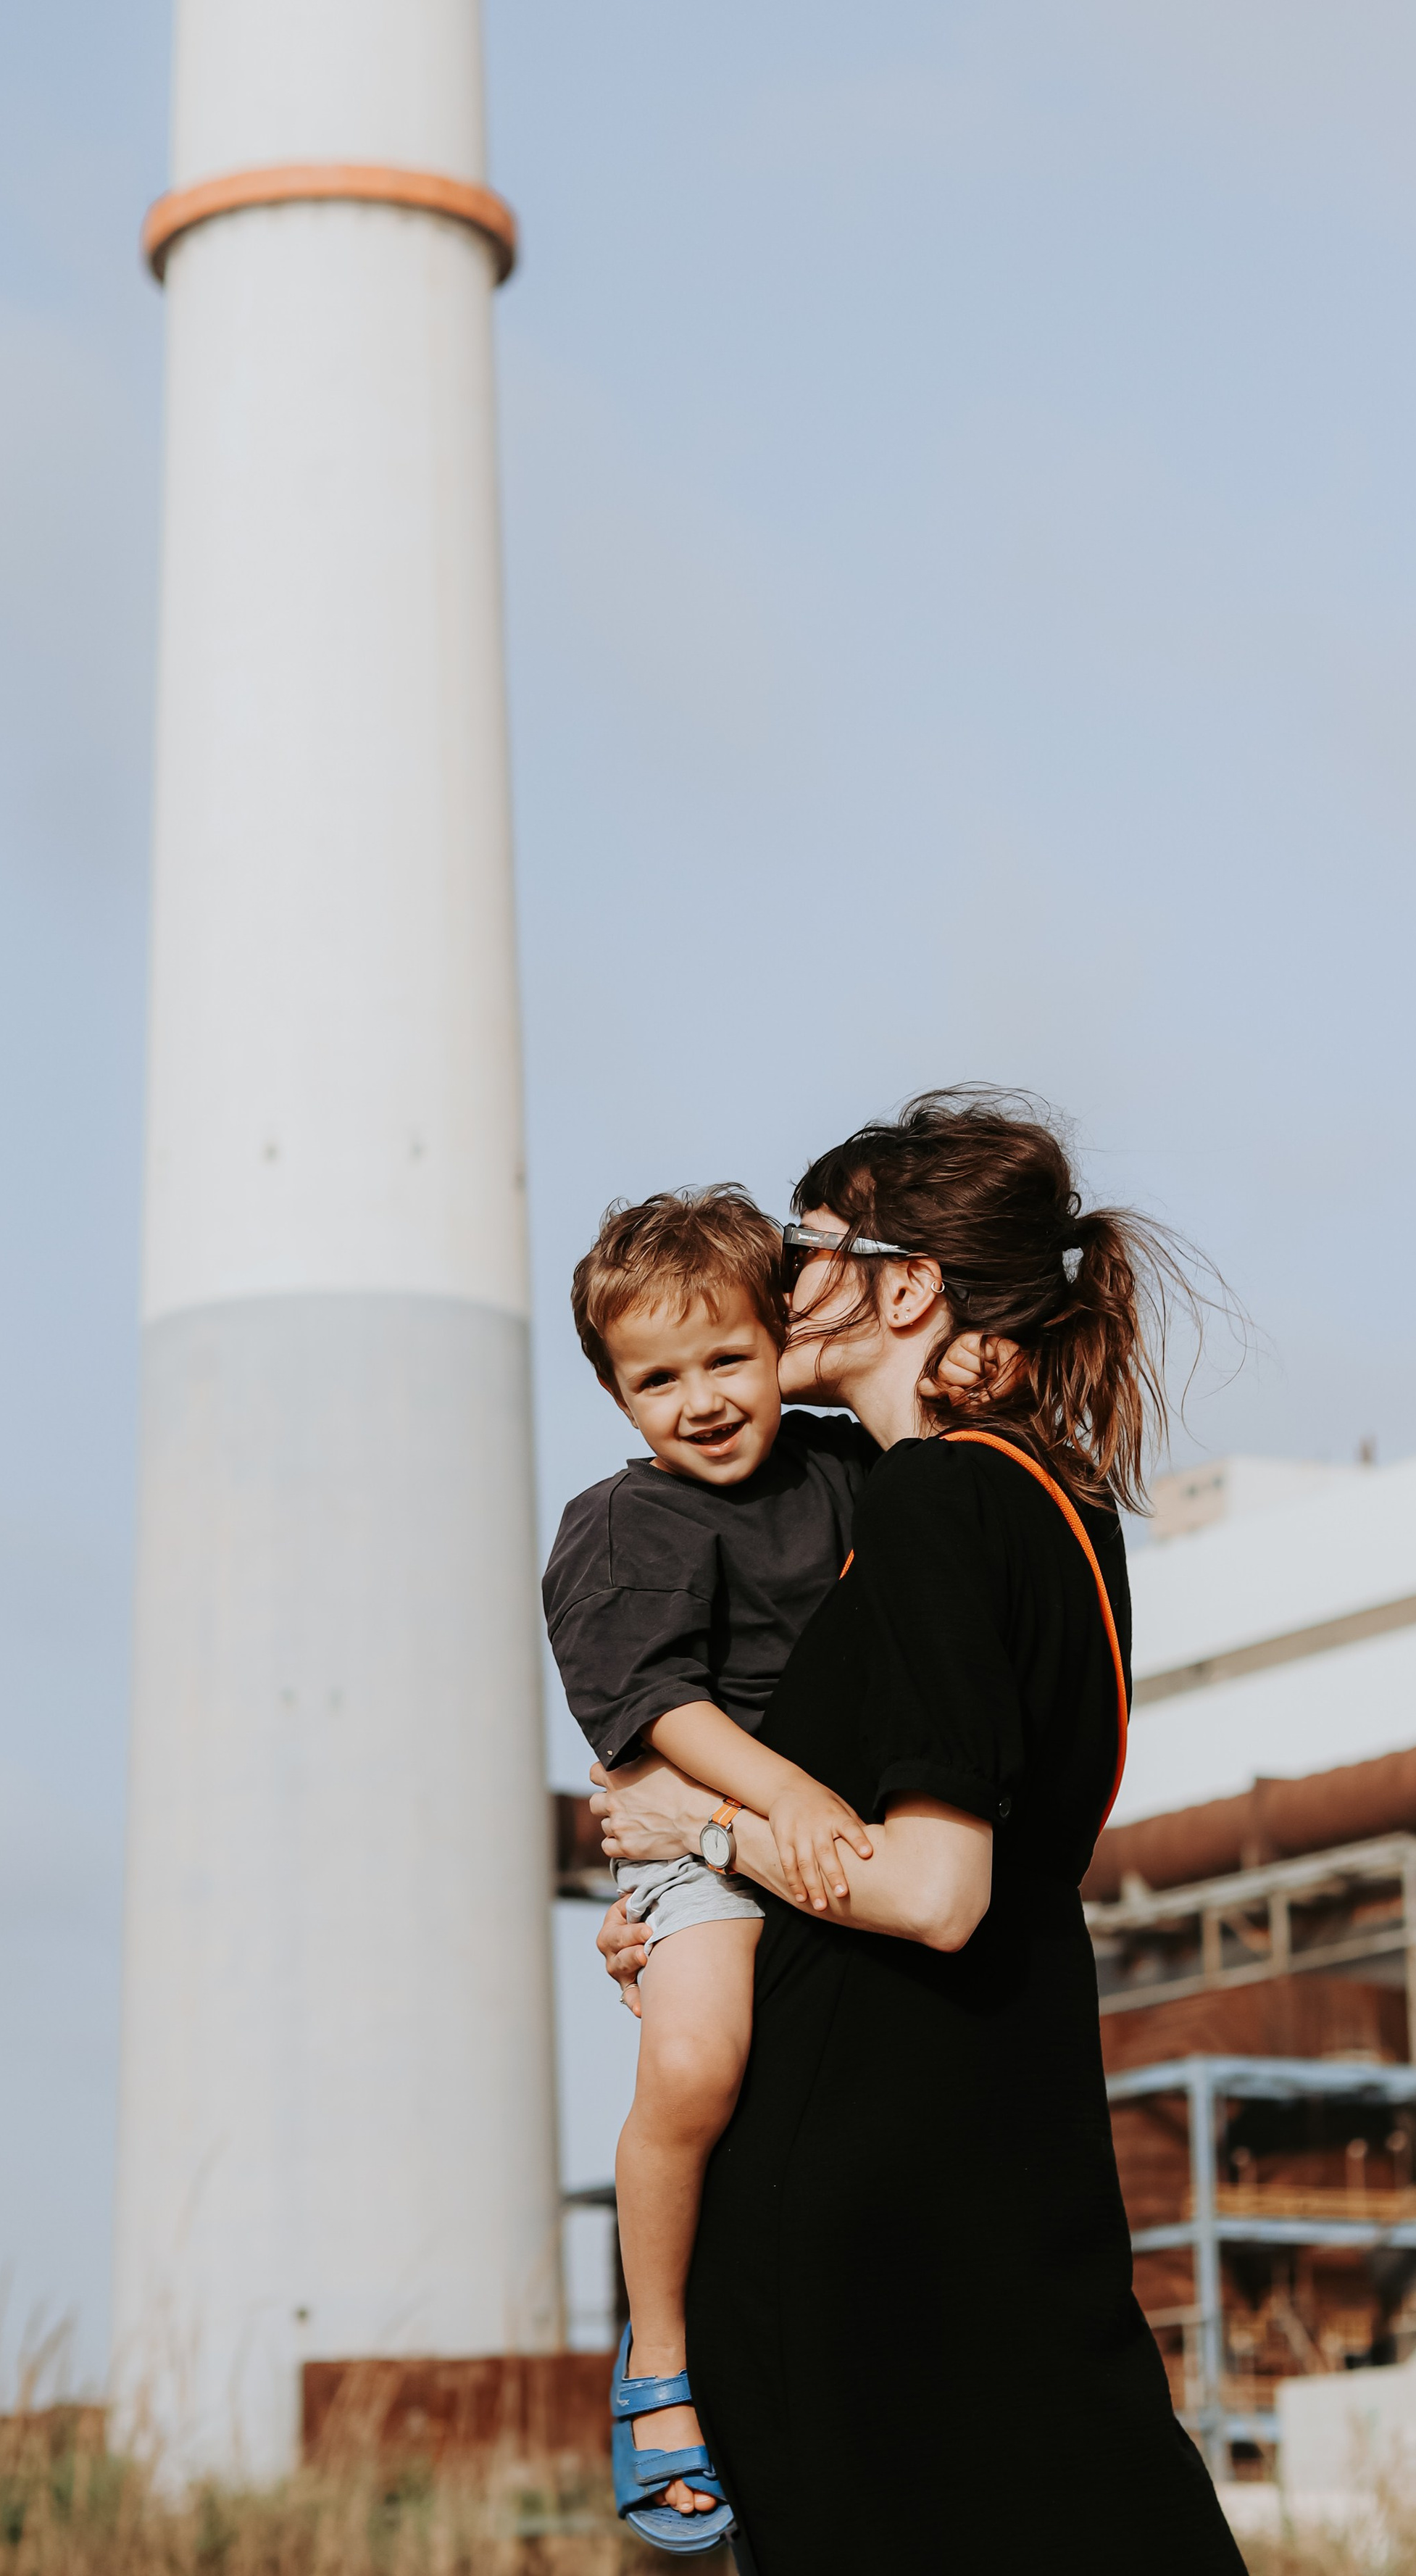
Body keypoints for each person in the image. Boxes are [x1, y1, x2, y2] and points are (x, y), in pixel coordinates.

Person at [591, 1093, 1246, 2575]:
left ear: (904, 1286)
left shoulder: (933, 1500)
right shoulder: (1054, 1503)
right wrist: (704, 1924)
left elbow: (936, 1890)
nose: (773, 1277)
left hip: (872, 2219)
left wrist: (694, 1819)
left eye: (808, 1244)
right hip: (1010, 2156)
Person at [544, 1187, 1001, 2551]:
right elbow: (658, 1714)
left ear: (780, 1345)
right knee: (694, 2061)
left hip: (862, 1839)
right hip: (719, 1833)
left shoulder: (842, 1467)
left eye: (727, 1359)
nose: (698, 1399)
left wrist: (964, 1359)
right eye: (654, 1379)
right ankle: (662, 2360)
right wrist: (786, 1797)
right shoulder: (622, 1526)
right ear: (617, 1397)